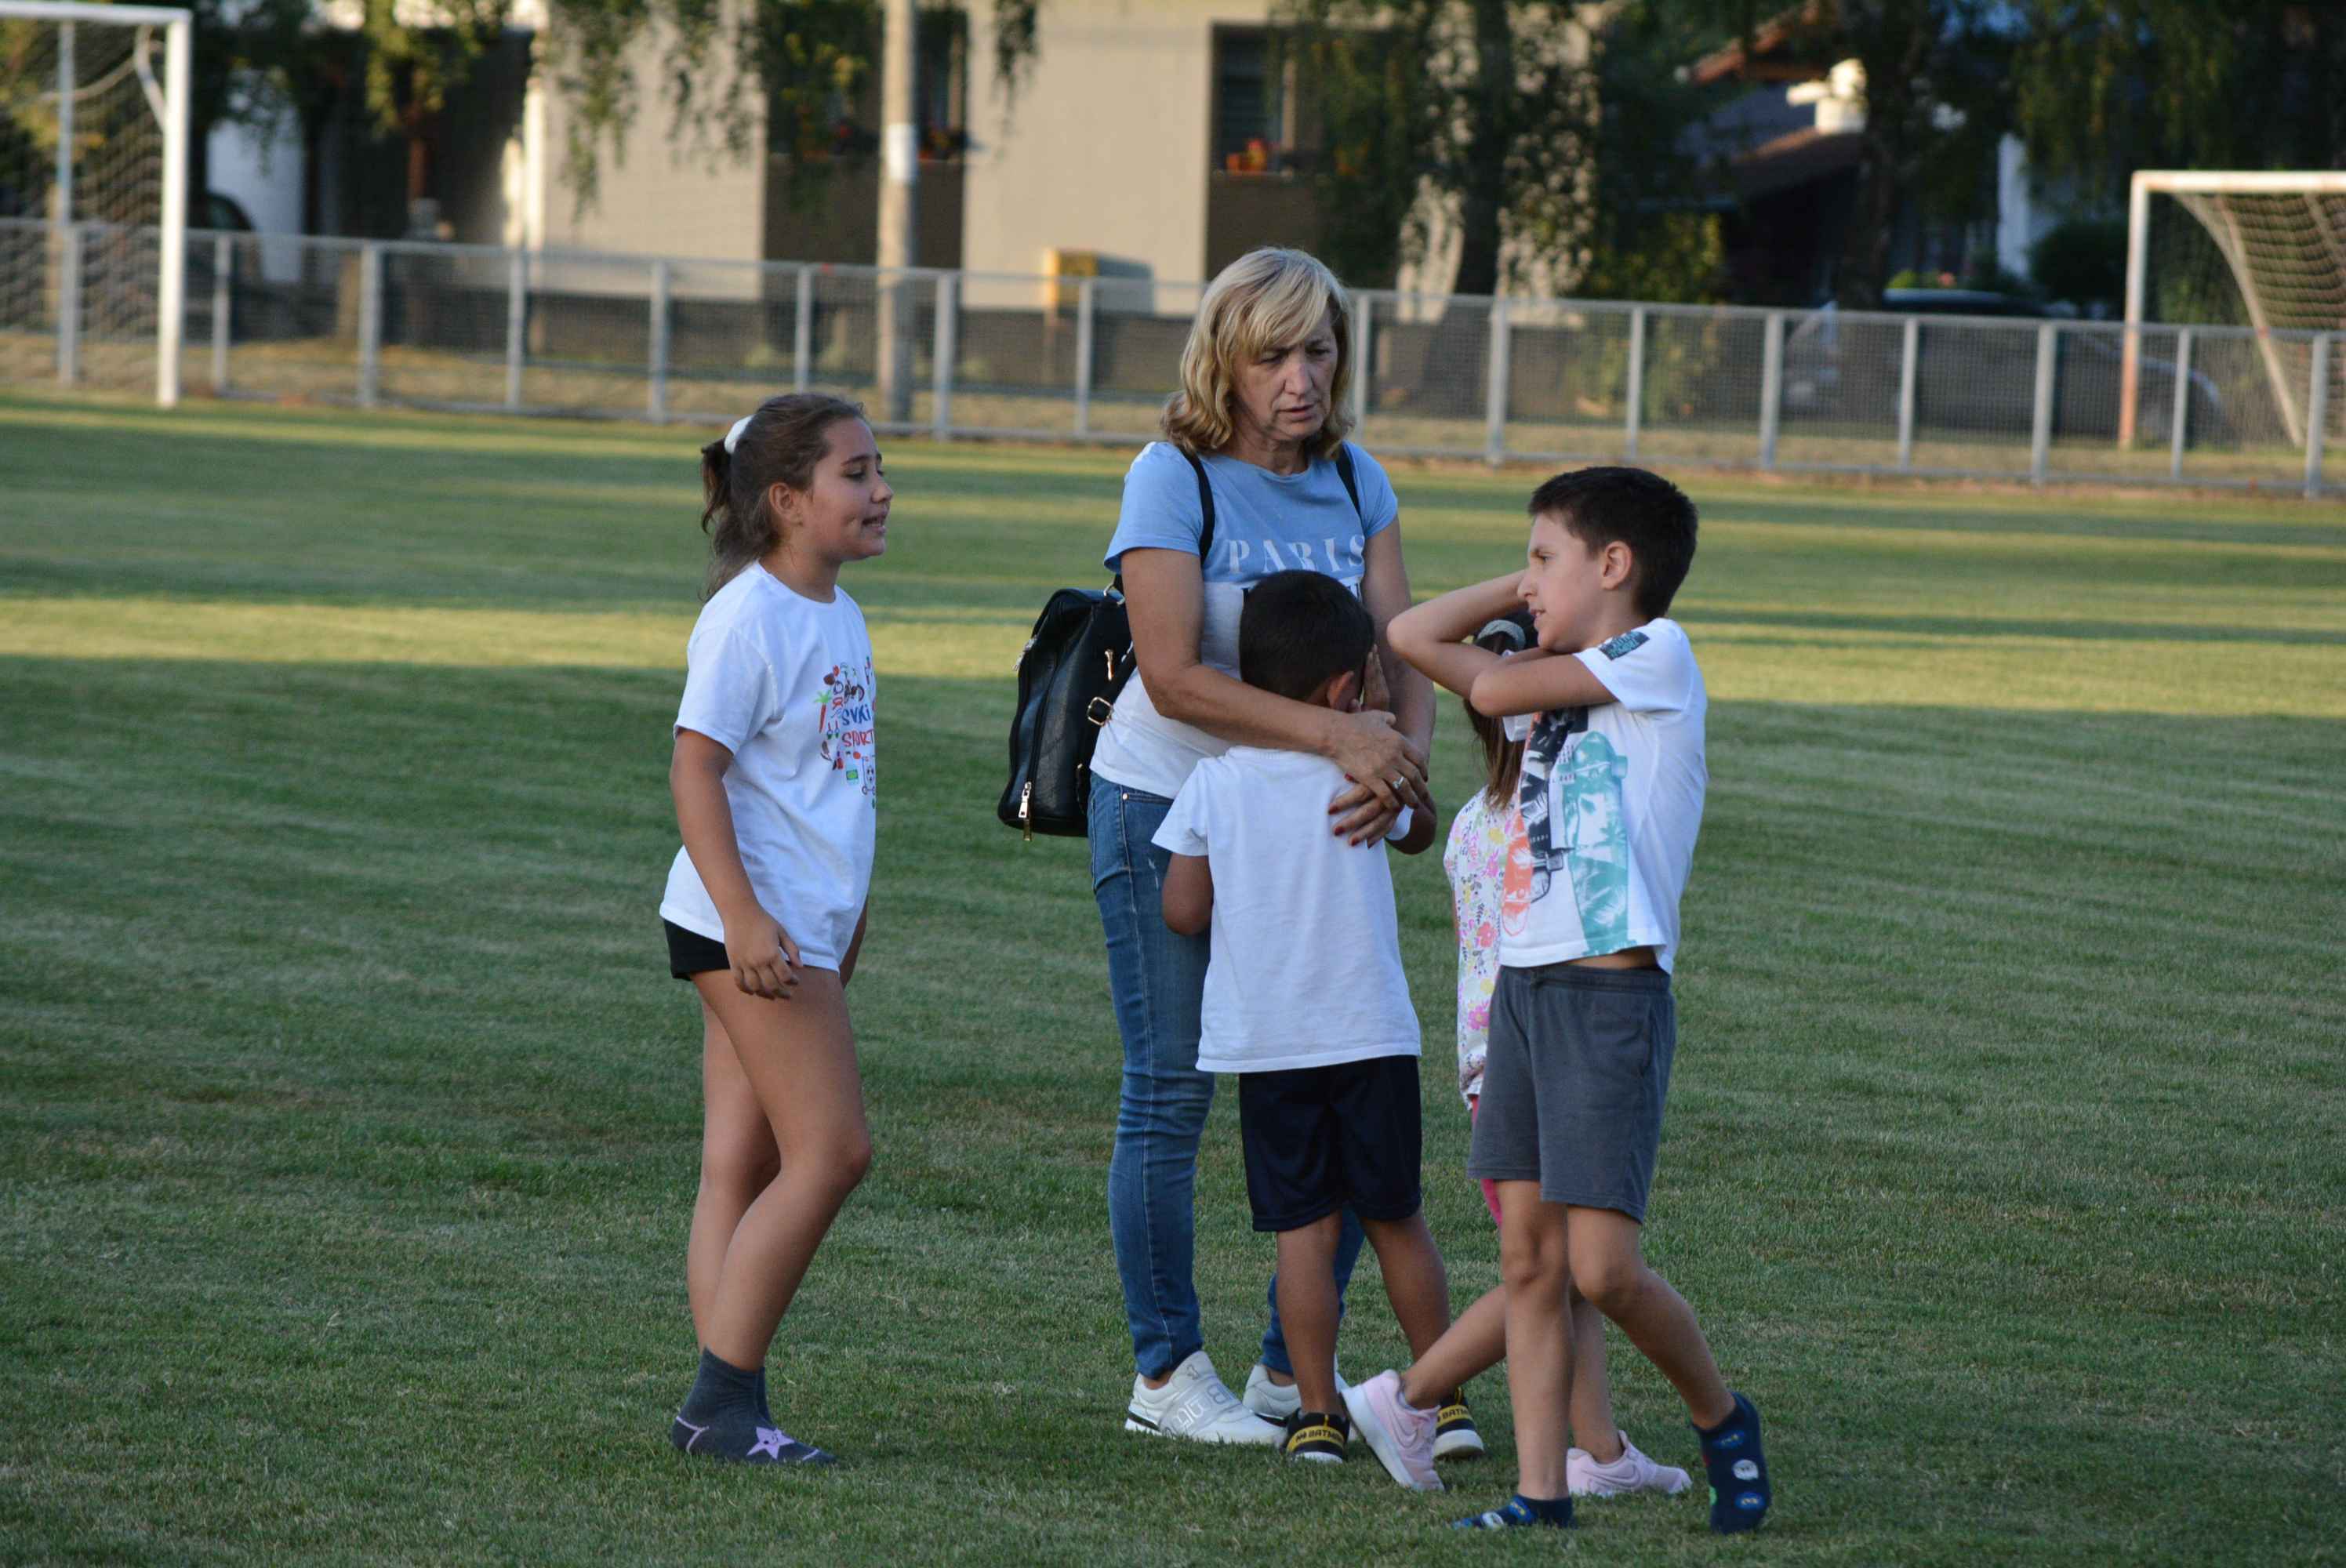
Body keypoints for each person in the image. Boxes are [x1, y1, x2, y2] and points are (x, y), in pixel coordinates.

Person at [1346, 466, 1773, 1534]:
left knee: (1603, 1268)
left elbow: (1479, 689)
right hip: (1528, 991)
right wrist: (1521, 588)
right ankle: (1541, 1494)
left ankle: (1723, 1419)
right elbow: (1408, 638)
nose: (1530, 583)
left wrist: (1533, 615)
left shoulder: (1655, 655)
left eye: (1547, 557)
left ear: (1616, 568)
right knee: (1530, 1262)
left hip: (1607, 999)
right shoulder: (1559, 666)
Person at [1088, 246, 1436, 1445]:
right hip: (1162, 807)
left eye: (1320, 350)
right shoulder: (1170, 474)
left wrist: (1403, 774)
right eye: (1273, 354)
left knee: (1337, 1072)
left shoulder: (1356, 482)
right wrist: (1344, 736)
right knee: (1172, 1092)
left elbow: (1403, 648)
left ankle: (1297, 1370)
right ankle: (1166, 1375)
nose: (1301, 378)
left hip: (1318, 826)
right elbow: (1176, 678)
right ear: (1224, 361)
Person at [1342, 608, 1690, 1496]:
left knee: (1562, 1275)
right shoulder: (1536, 821)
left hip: (1490, 1063)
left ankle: (1598, 1453)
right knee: (1553, 1270)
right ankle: (1409, 1393)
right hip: (1540, 1059)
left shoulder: (1471, 821)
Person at [1153, 571, 1447, 1465]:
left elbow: (1182, 912)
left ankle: (1316, 1412)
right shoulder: (1362, 768)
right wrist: (1405, 788)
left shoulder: (1216, 782)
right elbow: (1420, 834)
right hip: (1372, 1035)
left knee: (1302, 1236)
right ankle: (1441, 1394)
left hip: (1270, 1045)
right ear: (1343, 690)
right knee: (1396, 1217)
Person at [658, 393, 890, 1465]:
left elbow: (832, 789)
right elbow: (693, 769)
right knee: (834, 1151)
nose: (882, 491)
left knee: (738, 1166)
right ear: (788, 502)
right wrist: (749, 918)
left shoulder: (835, 611)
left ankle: (725, 1399)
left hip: (797, 925)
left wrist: (850, 916)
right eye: (857, 473)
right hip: (749, 927)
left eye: (880, 471)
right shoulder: (750, 616)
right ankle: (721, 1403)